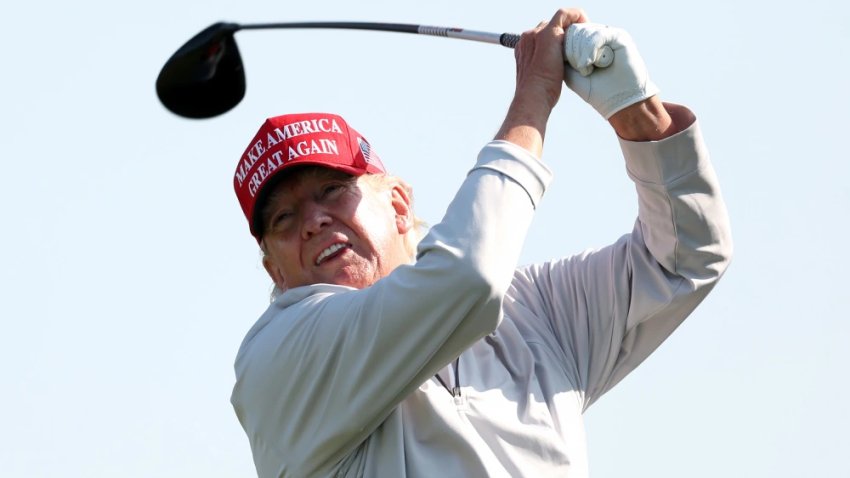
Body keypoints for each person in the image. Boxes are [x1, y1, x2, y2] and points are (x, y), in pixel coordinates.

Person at [230, 8, 732, 477]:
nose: (313, 221)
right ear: (275, 271)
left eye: (333, 190)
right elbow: (467, 278)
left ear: (399, 206)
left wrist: (640, 119)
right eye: (283, 219)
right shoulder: (276, 357)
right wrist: (534, 98)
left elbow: (685, 258)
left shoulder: (532, 313)